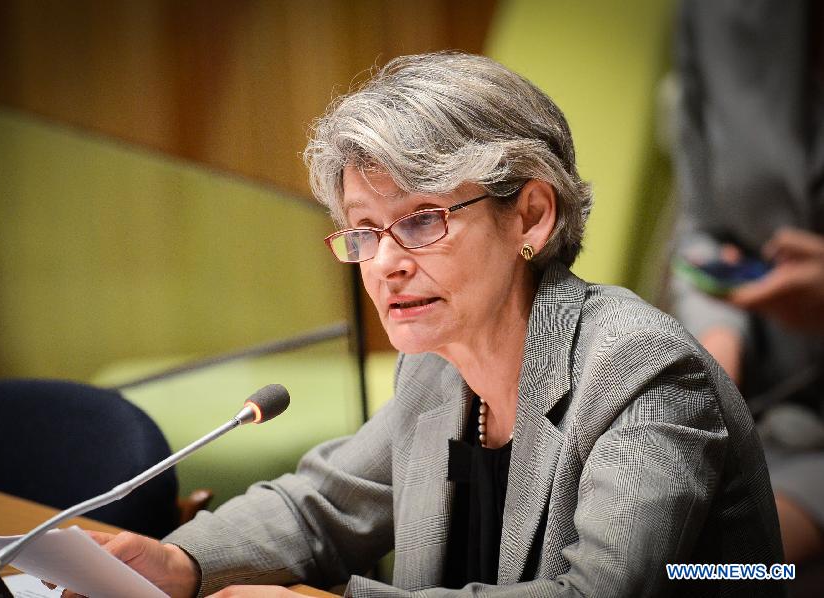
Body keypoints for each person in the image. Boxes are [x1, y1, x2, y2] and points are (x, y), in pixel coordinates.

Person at [57, 52, 785, 597]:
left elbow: (595, 595)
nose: (384, 265)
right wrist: (181, 563)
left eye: (421, 221)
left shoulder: (641, 370)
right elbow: (320, 508)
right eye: (364, 232)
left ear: (530, 215)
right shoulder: (440, 364)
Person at [670, 0, 824, 571]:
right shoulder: (714, 14)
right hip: (759, 412)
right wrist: (718, 349)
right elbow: (704, 231)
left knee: (722, 573)